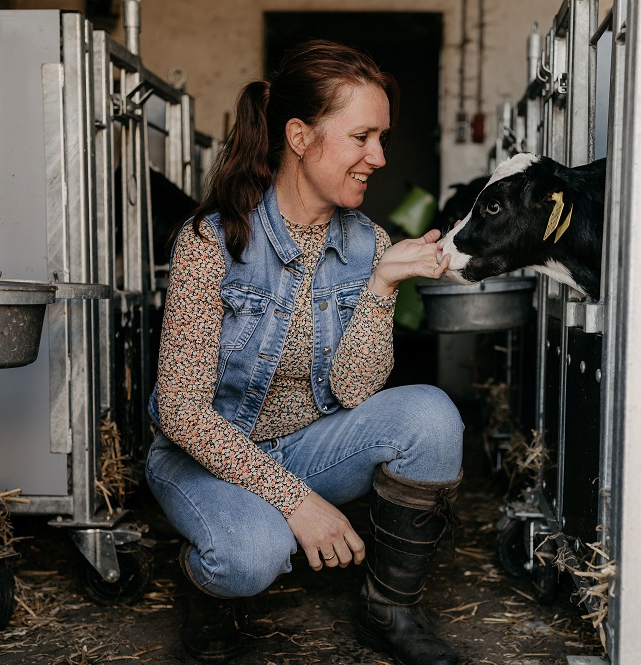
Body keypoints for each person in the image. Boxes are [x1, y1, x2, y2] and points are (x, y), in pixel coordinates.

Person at [144, 40, 464, 665]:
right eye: (362, 136)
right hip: (203, 454)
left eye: (383, 137)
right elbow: (181, 412)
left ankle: (388, 609)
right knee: (250, 556)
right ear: (299, 135)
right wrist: (294, 501)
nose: (378, 156)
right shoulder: (211, 241)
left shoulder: (367, 241)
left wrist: (381, 286)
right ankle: (206, 581)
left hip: (306, 447)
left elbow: (355, 395)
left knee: (430, 416)